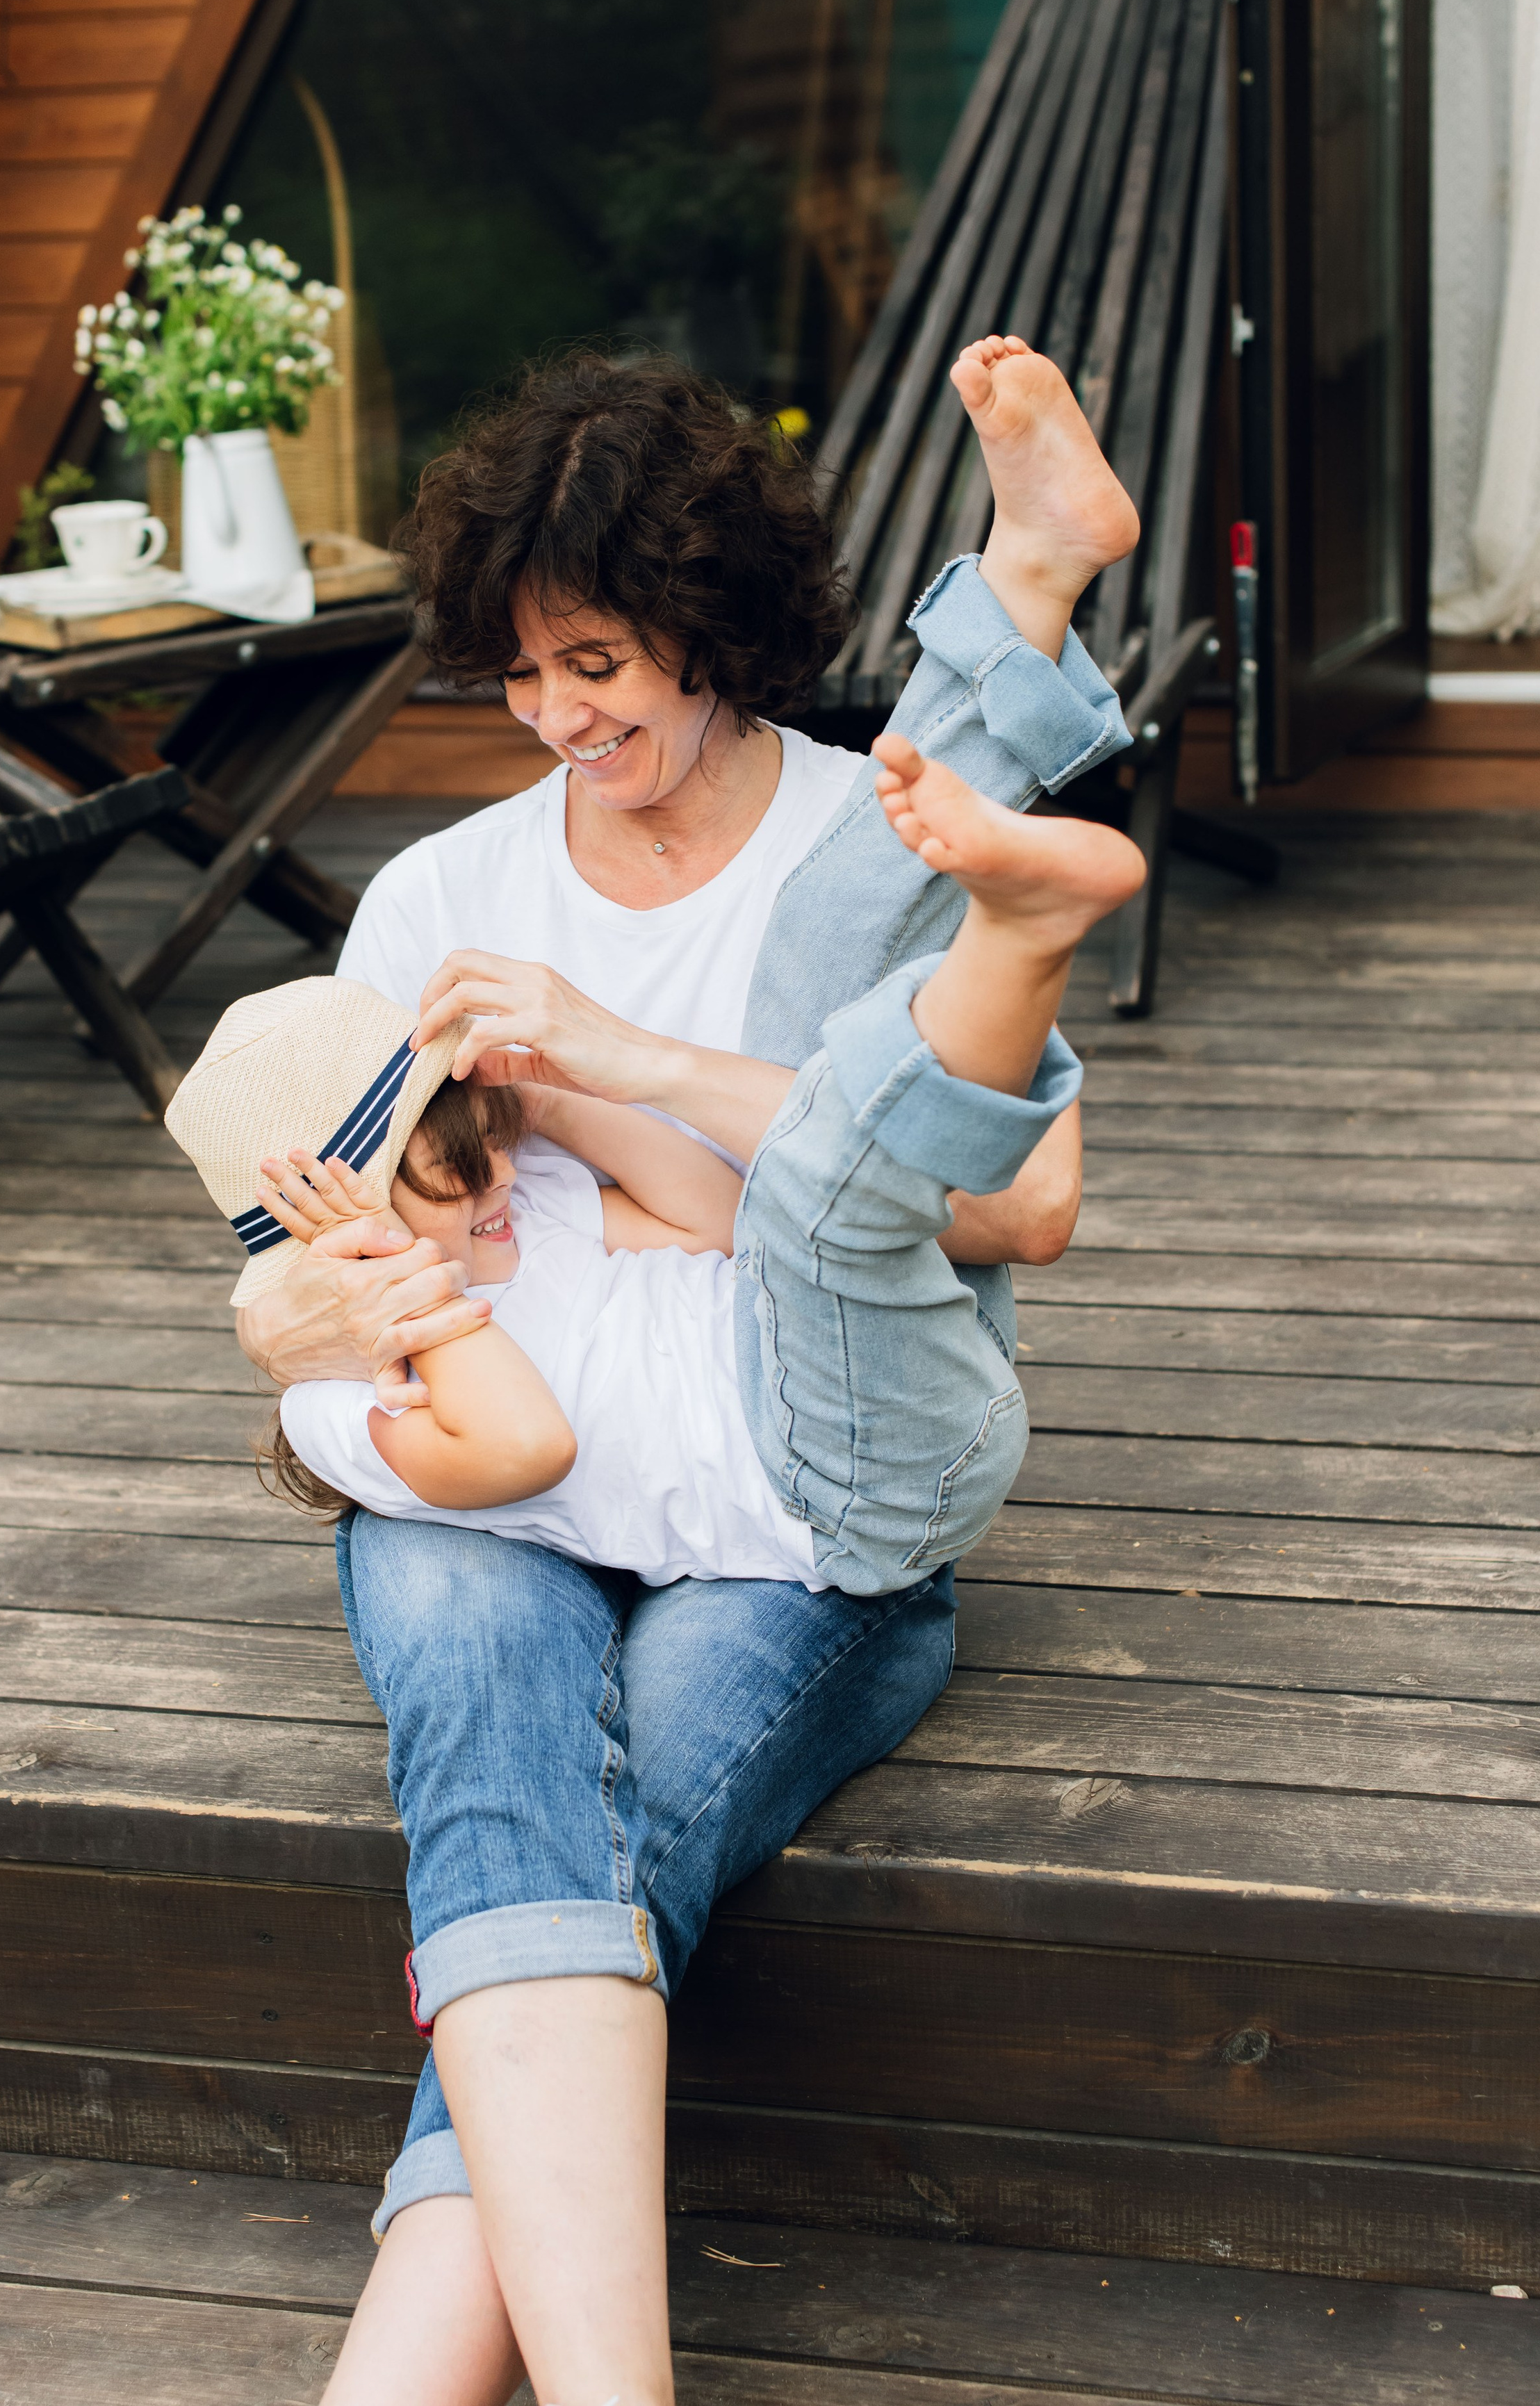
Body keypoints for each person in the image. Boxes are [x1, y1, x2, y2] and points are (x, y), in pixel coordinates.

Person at [234, 334, 1139, 2406]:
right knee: (512, 1773)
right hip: (502, 1470)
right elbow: (324, 1257)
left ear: (709, 624)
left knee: (578, 1841)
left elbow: (1018, 1204)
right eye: (518, 675)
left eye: (601, 664)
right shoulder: (442, 895)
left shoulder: (871, 835)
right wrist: (301, 1315)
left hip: (792, 1511)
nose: (558, 717)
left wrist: (627, 1077)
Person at [181, 743, 1142, 1607]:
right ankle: (1023, 937)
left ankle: (1000, 801)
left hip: (833, 1368)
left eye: (499, 1140)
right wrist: (397, 1278)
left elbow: (723, 1219)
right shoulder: (343, 1404)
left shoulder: (530, 1214)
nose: (503, 1175)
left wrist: (554, 1099)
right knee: (833, 1176)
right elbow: (527, 1446)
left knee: (821, 1051)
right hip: (824, 1485)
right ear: (340, 1217)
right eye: (461, 1168)